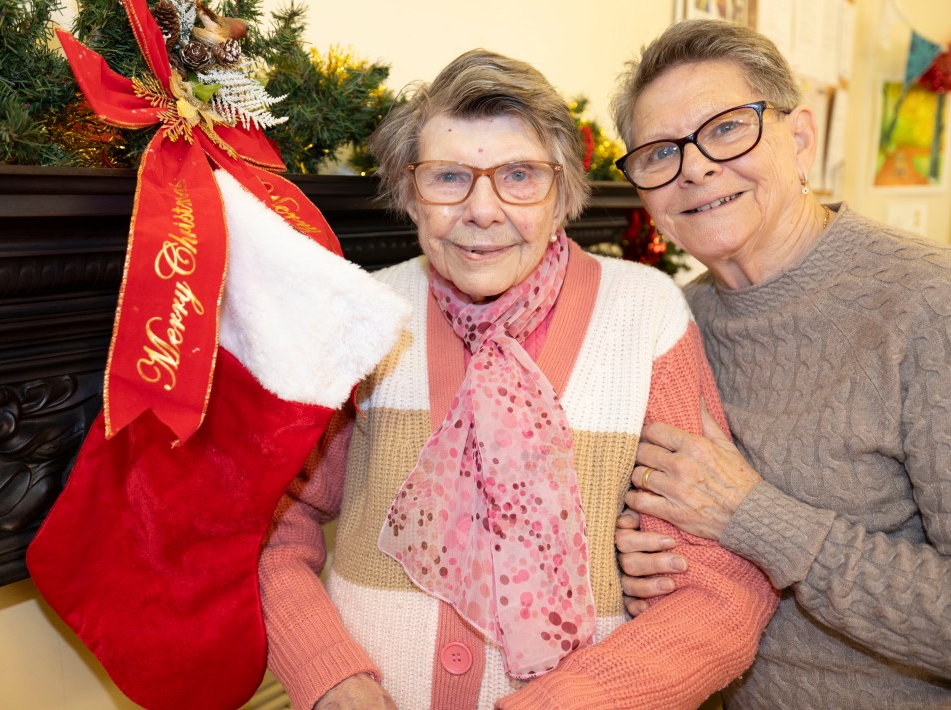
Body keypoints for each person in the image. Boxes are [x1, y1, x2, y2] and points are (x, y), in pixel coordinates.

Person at [258, 48, 777, 709]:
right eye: (448, 177)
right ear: (408, 192)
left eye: (520, 176)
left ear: (562, 192)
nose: (482, 210)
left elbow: (719, 591)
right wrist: (329, 678)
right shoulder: (360, 319)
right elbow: (271, 521)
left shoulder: (646, 317)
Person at [609, 19, 951, 708]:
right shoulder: (668, 323)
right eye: (659, 153)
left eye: (727, 128)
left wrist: (757, 518)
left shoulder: (926, 304)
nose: (696, 167)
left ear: (799, 139)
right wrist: (630, 563)